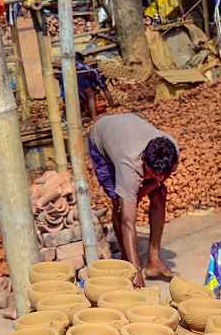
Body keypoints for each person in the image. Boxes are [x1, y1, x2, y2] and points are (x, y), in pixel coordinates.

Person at [89, 113, 178, 286]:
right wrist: (137, 272)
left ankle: (154, 261)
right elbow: (128, 222)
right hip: (101, 137)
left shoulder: (172, 151)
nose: (159, 178)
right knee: (120, 206)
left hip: (130, 127)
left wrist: (149, 187)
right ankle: (127, 264)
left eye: (163, 175)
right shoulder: (128, 166)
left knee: (160, 193)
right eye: (152, 174)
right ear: (144, 161)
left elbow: (161, 177)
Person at [66, 53, 116, 121]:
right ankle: (95, 116)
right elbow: (96, 79)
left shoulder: (69, 67)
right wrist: (101, 86)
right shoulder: (85, 67)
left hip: (74, 86)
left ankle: (85, 114)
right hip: (84, 83)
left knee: (83, 98)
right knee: (91, 96)